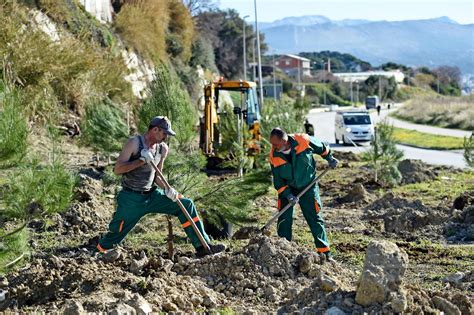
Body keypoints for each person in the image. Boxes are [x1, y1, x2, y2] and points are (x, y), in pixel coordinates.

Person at [96, 116, 225, 257]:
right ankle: (98, 253)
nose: (165, 137)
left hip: (151, 195)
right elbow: (117, 169)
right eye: (164, 133)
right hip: (131, 197)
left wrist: (168, 189)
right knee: (116, 232)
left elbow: (157, 177)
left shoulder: (161, 149)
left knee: (185, 205)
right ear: (155, 129)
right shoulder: (134, 143)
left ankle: (203, 247)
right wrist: (141, 160)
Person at [268, 127, 338, 262]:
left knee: (314, 217)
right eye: (272, 144)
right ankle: (284, 251)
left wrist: (330, 158)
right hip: (288, 188)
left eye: (275, 144)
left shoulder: (303, 141)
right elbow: (278, 181)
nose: (273, 147)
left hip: (308, 185)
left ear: (284, 141)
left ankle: (325, 253)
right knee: (284, 219)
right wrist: (288, 195)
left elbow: (322, 148)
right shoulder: (274, 155)